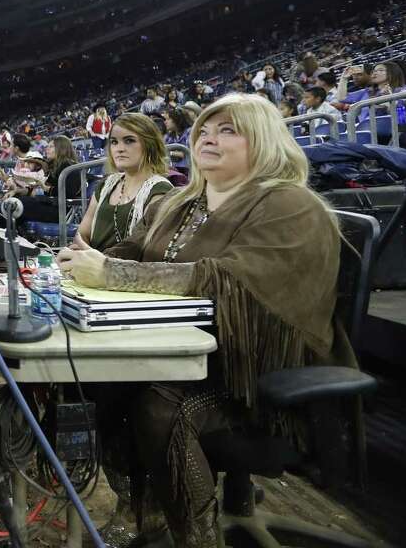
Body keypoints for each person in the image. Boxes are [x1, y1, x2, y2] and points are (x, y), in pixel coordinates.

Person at [57, 94, 349, 548]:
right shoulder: (182, 201)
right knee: (100, 383)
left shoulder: (292, 205)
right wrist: (82, 262)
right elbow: (135, 249)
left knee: (162, 405)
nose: (209, 138)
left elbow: (227, 280)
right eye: (204, 131)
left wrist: (114, 273)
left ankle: (196, 537)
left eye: (228, 130)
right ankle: (144, 511)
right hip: (180, 353)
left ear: (265, 141)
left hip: (254, 376)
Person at [75, 113, 174, 251]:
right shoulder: (106, 185)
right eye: (114, 142)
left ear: (150, 145)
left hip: (126, 269)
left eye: (129, 141)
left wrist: (98, 264)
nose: (119, 149)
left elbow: (146, 250)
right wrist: (85, 256)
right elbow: (82, 233)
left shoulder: (160, 190)